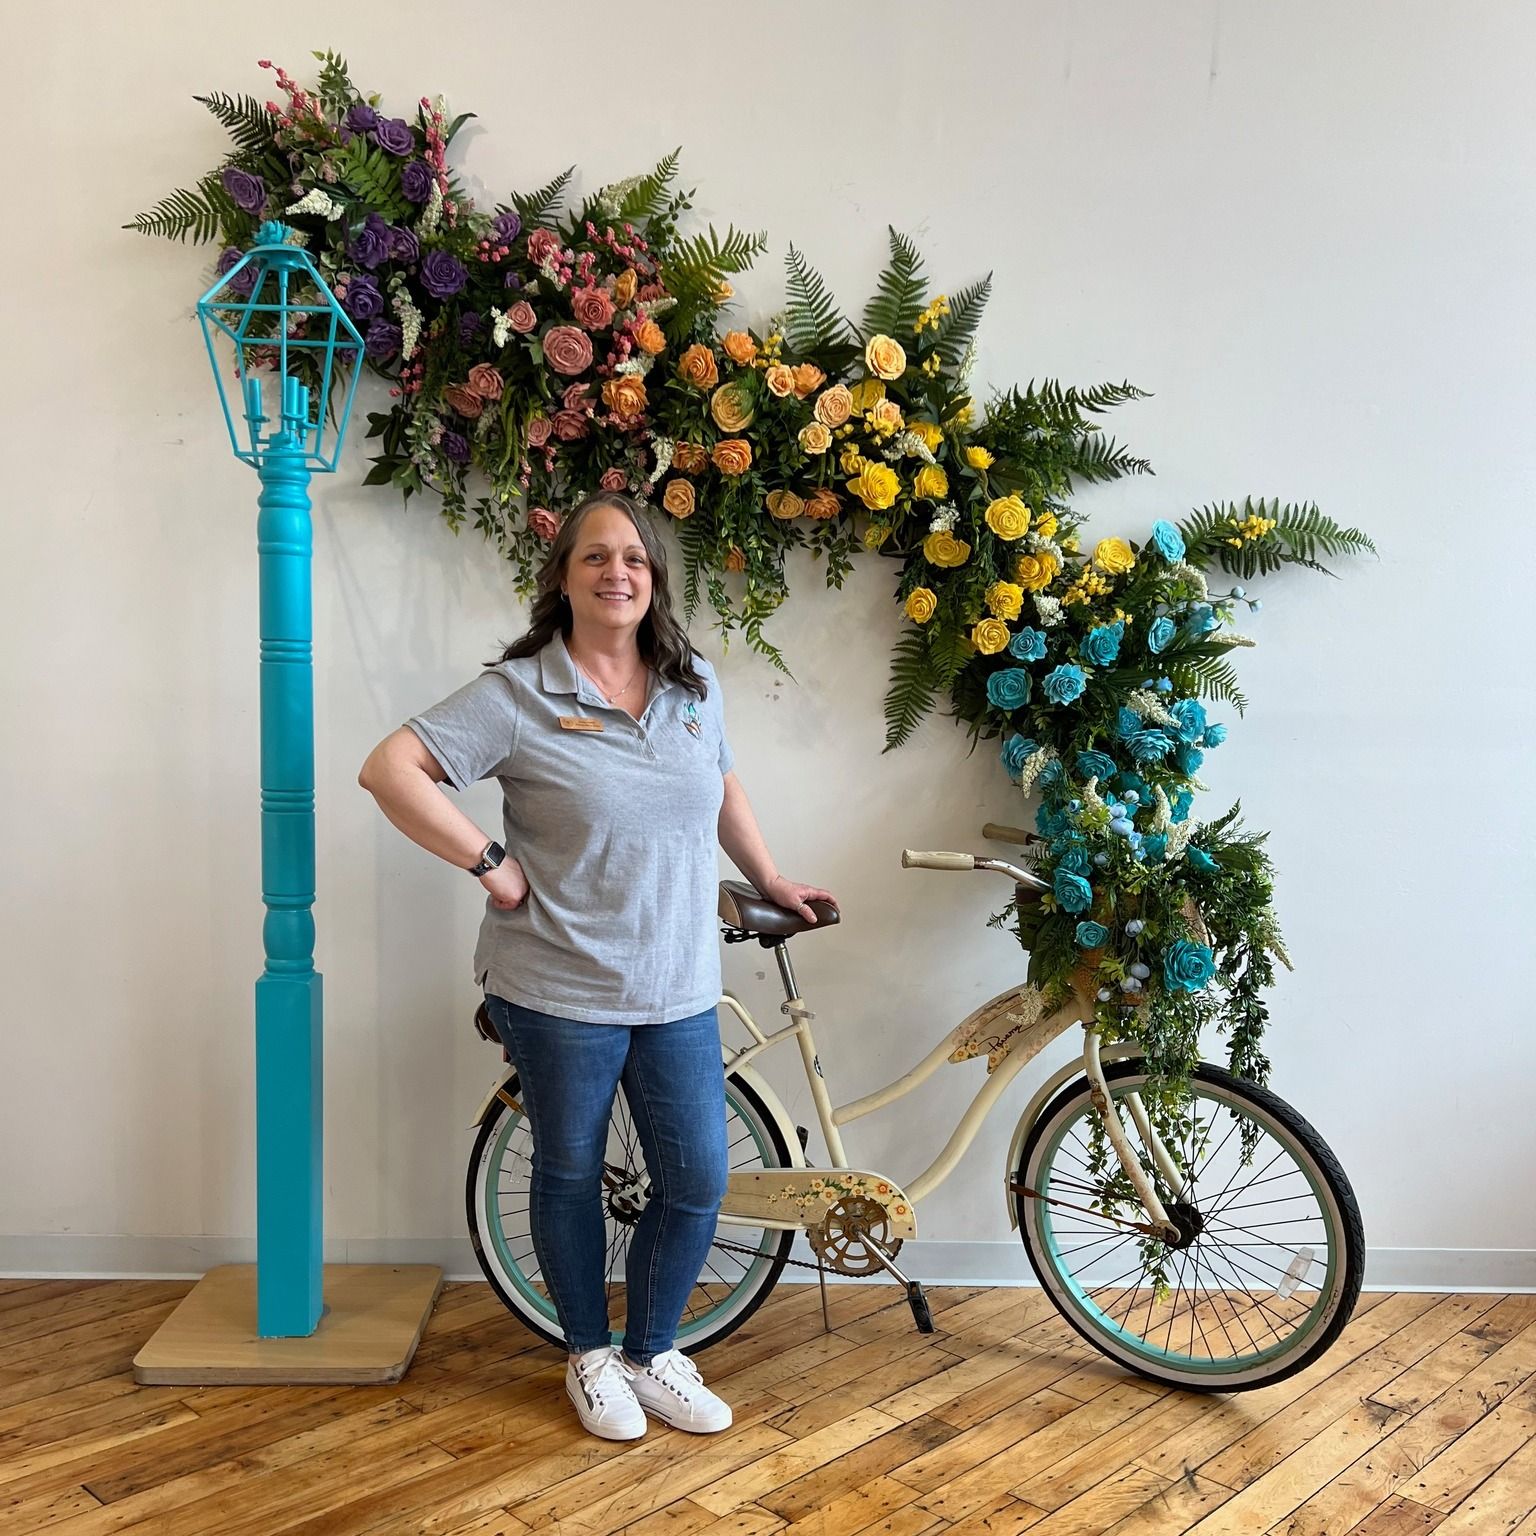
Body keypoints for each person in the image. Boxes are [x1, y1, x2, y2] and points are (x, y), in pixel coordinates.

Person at [358, 491, 836, 1441]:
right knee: (570, 1171)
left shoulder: (692, 682)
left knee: (696, 1176)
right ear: (563, 577)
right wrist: (490, 867)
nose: (618, 572)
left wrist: (770, 875)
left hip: (680, 982)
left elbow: (723, 783)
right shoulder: (518, 694)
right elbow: (390, 769)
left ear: (653, 580)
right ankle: (588, 1352)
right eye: (596, 558)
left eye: (635, 559)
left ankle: (654, 1350)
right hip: (558, 985)